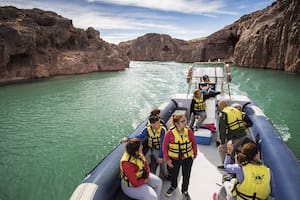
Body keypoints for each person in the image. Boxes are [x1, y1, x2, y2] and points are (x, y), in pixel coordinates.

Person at [163, 113, 197, 199]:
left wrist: (195, 154)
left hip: (187, 158)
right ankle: (173, 186)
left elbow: (194, 143)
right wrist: (167, 160)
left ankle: (185, 190)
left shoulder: (189, 131)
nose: (185, 123)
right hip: (174, 158)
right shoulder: (169, 134)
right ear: (177, 123)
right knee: (174, 174)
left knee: (186, 175)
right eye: (182, 121)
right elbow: (165, 147)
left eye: (185, 120)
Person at [217, 100, 248, 166]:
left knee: (222, 149)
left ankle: (227, 166)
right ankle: (231, 163)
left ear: (221, 106)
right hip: (243, 135)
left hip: (236, 137)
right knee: (231, 147)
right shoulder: (235, 110)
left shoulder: (223, 114)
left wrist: (222, 143)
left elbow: (222, 130)